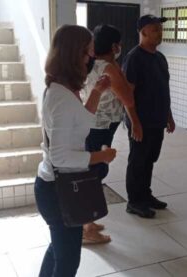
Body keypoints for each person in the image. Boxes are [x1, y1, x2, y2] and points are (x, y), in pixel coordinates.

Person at [34, 25, 117, 277]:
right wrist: (100, 156)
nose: (90, 58)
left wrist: (96, 92)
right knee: (68, 260)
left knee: (58, 249)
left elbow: (82, 121)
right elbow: (60, 156)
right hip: (57, 190)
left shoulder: (64, 90)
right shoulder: (61, 97)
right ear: (73, 55)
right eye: (87, 53)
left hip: (56, 186)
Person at [80, 24, 143, 244]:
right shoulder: (109, 68)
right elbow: (128, 98)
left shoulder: (89, 63)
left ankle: (88, 221)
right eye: (119, 44)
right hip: (101, 127)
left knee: (92, 171)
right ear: (115, 45)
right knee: (95, 173)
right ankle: (86, 228)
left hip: (90, 124)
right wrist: (135, 122)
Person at [122, 15, 175, 219]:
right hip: (141, 122)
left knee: (149, 160)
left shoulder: (160, 58)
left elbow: (164, 89)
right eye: (154, 29)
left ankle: (145, 194)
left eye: (160, 29)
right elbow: (128, 95)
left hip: (157, 120)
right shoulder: (134, 58)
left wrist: (169, 116)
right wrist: (135, 122)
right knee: (138, 160)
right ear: (142, 32)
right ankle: (134, 201)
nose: (159, 32)